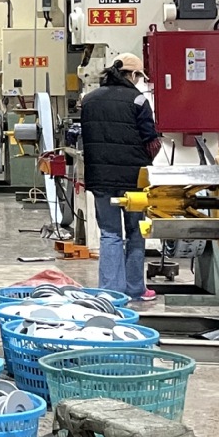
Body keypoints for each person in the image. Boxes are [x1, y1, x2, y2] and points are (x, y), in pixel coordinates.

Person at [78, 52, 161, 302]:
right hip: (133, 179)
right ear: (133, 75)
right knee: (136, 231)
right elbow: (151, 142)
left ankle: (110, 293)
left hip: (100, 178)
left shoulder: (89, 100)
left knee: (109, 233)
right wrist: (148, 161)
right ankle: (135, 289)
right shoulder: (138, 100)